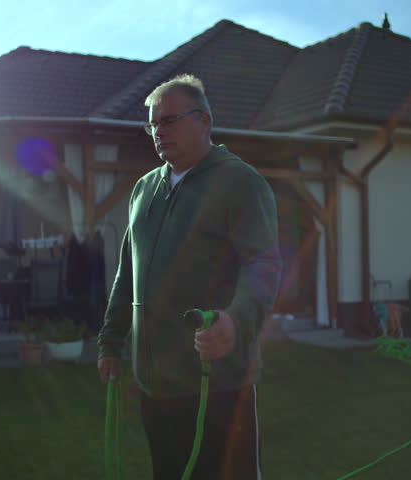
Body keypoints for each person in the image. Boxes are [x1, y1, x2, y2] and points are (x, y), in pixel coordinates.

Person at [97, 74, 282, 480]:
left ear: (204, 120)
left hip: (216, 385)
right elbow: (129, 267)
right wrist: (111, 339)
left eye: (168, 120)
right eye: (152, 124)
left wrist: (237, 319)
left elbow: (265, 265)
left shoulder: (240, 182)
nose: (158, 132)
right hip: (155, 383)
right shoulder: (145, 189)